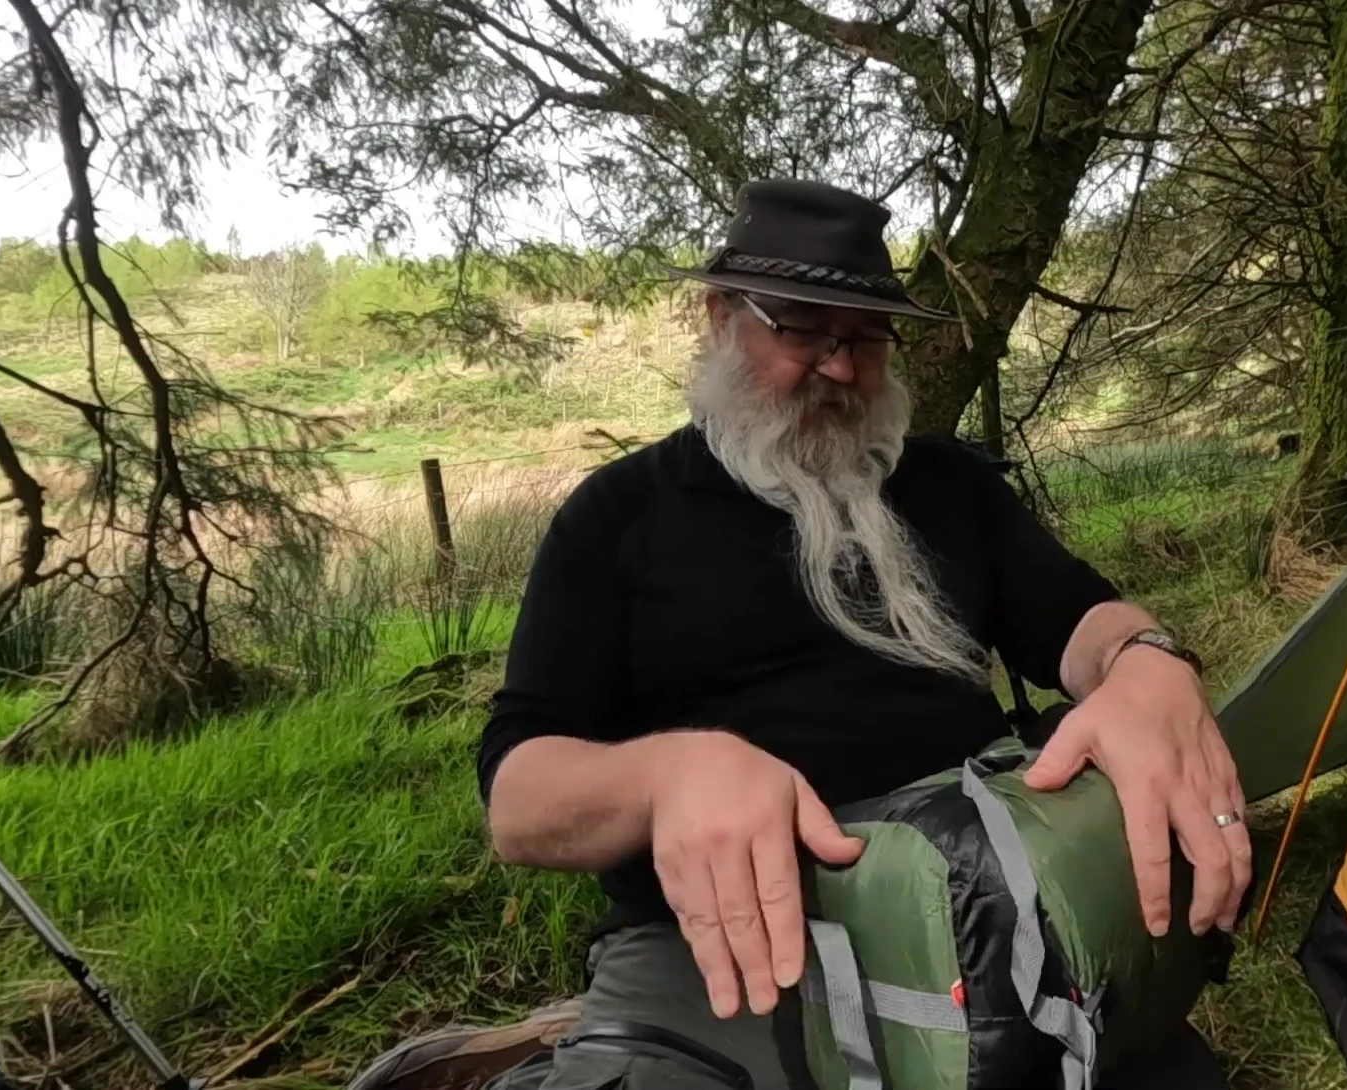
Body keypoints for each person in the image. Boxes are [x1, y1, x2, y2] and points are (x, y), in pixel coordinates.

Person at [478, 179, 1251, 1090]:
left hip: (974, 897)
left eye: (869, 337)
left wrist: (1147, 663)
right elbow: (519, 800)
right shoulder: (618, 517)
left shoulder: (948, 487)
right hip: (722, 944)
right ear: (721, 317)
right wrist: (669, 772)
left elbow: (1084, 622)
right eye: (803, 328)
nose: (842, 368)